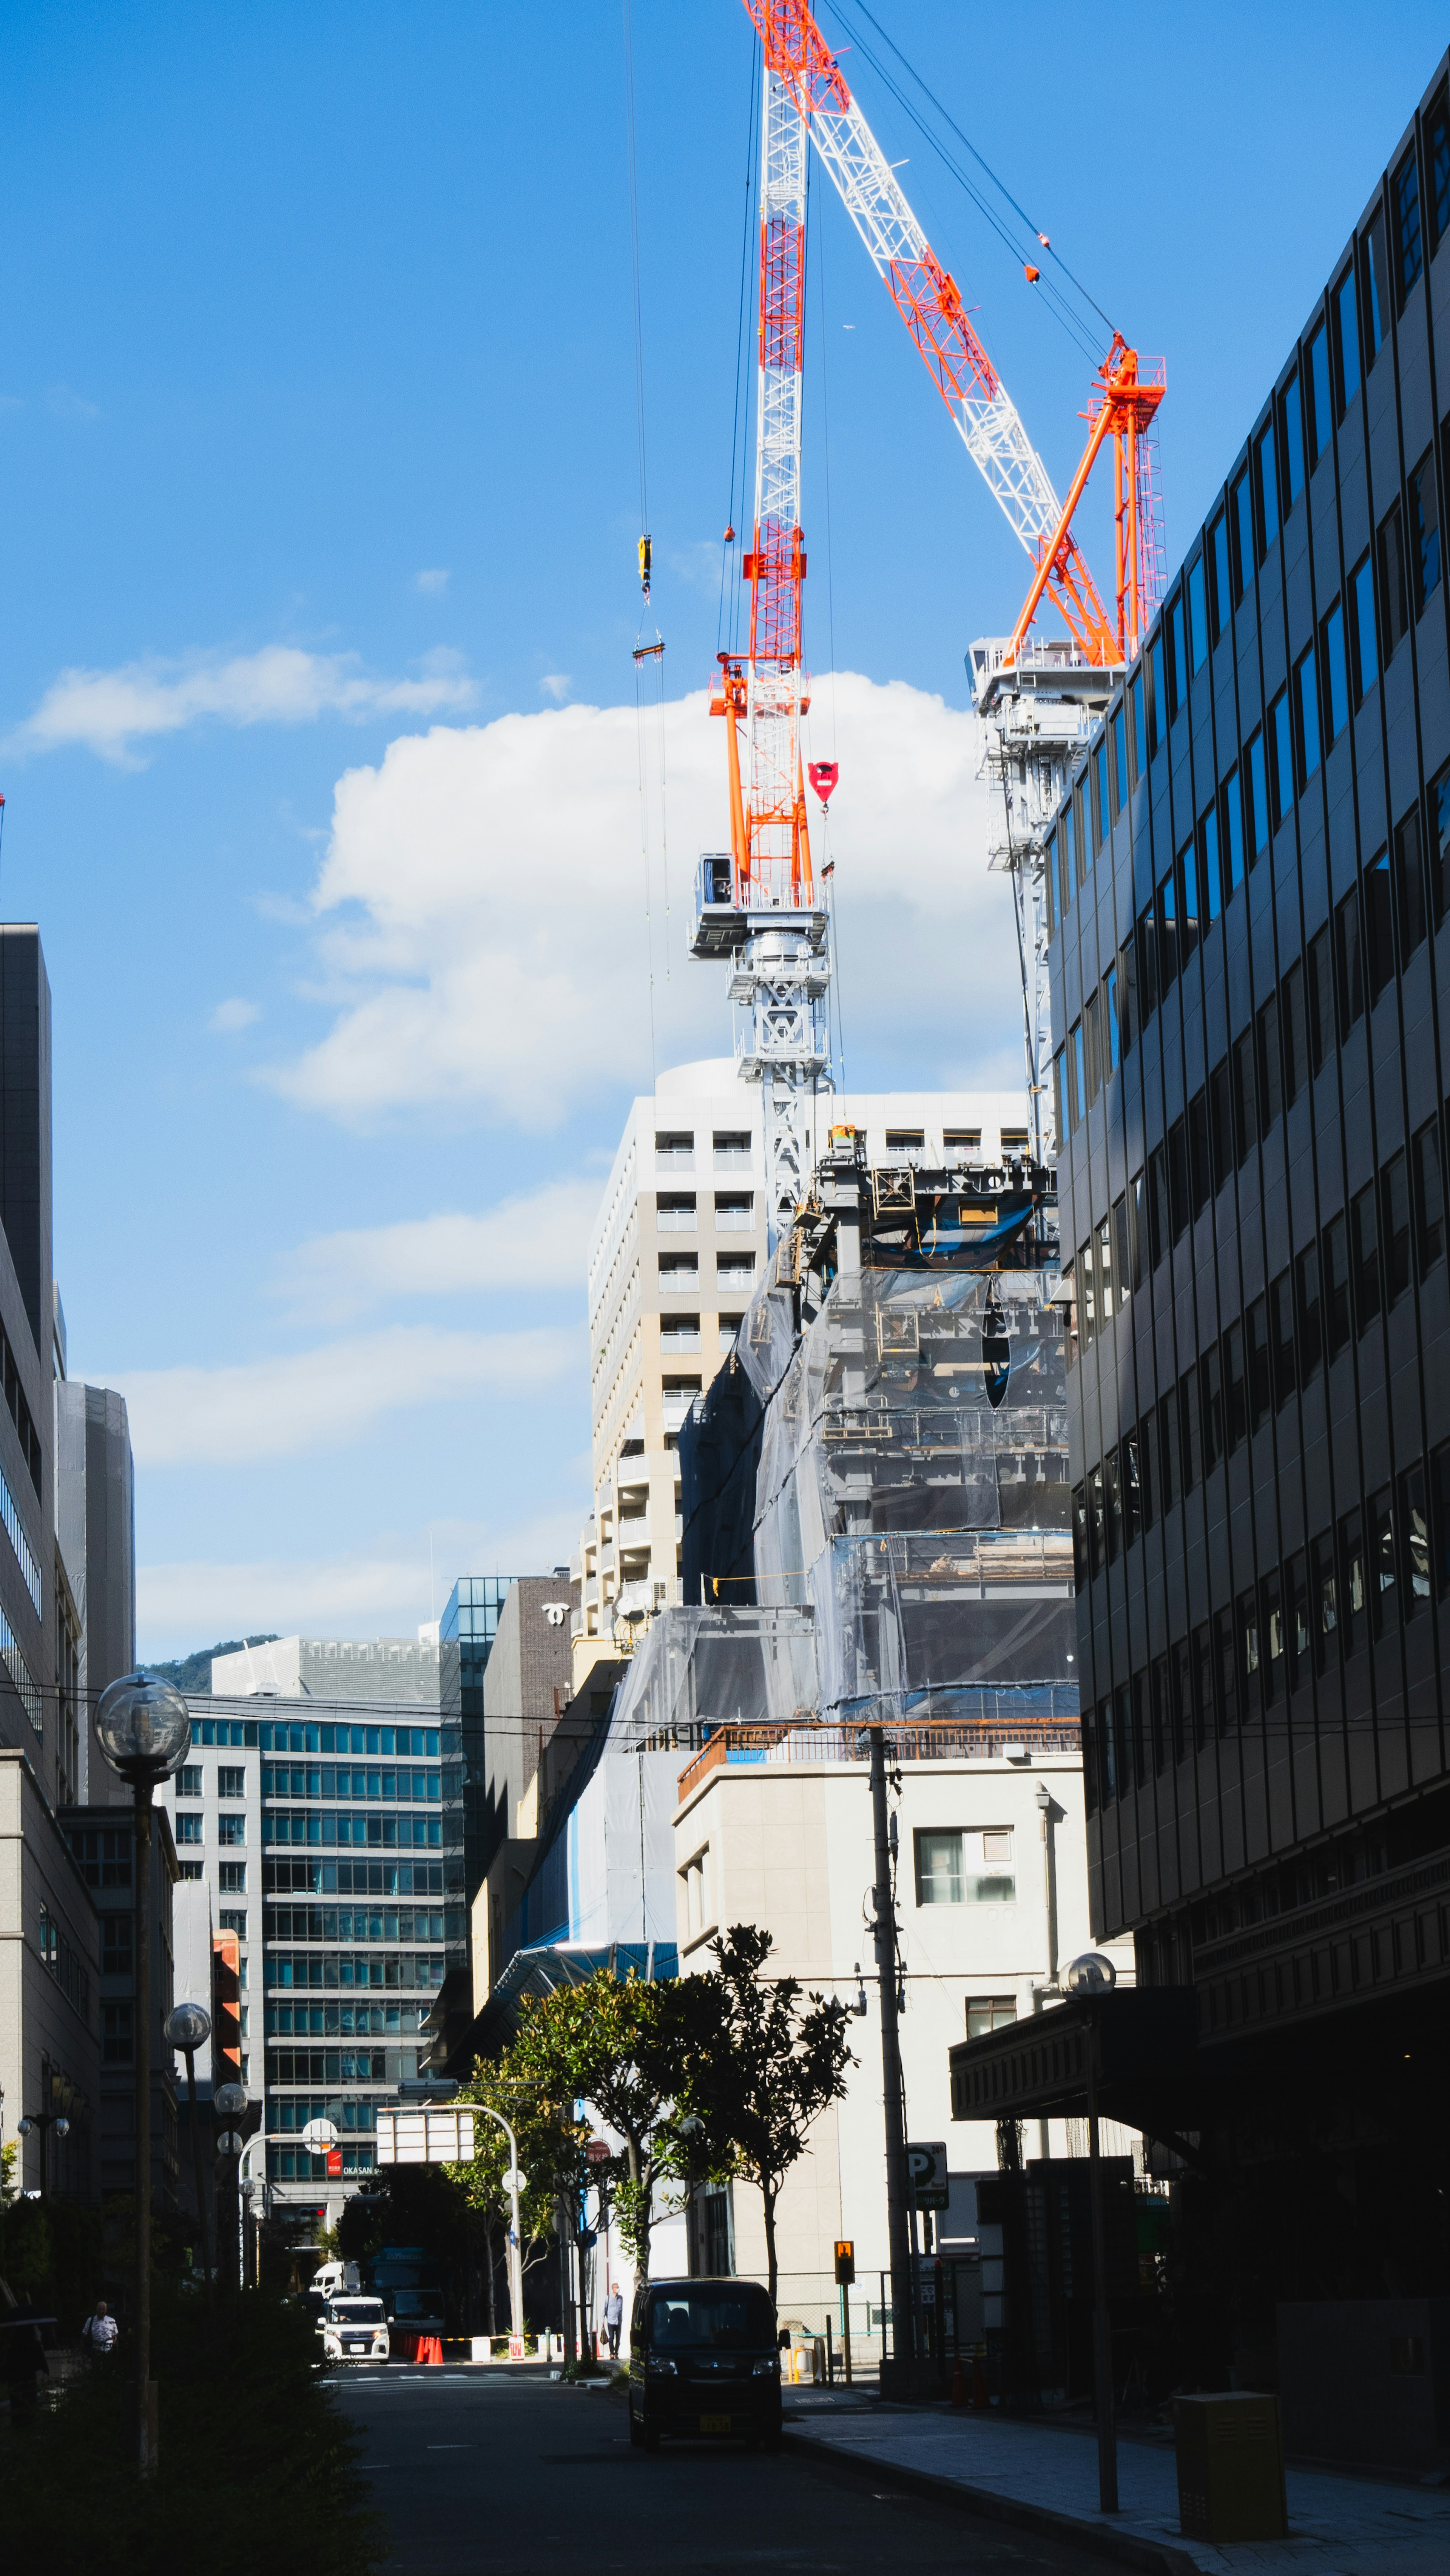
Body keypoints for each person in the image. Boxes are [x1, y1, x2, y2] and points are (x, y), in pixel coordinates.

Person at [82, 2300, 119, 2365]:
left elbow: (115, 2336)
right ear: (97, 2310)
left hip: (108, 2351)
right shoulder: (91, 2320)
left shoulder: (112, 2321)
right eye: (100, 2309)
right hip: (95, 2351)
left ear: (106, 2310)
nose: (102, 2311)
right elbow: (84, 2335)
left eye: (104, 2309)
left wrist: (113, 2346)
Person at [603, 2282, 624, 2362]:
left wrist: (621, 2318)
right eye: (616, 2288)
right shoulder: (608, 2298)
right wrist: (603, 2320)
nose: (618, 2289)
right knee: (611, 2338)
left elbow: (621, 2309)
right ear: (613, 2289)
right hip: (611, 2321)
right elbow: (605, 2309)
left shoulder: (621, 2298)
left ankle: (616, 2353)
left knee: (618, 2338)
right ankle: (612, 2353)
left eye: (618, 2288)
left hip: (619, 2321)